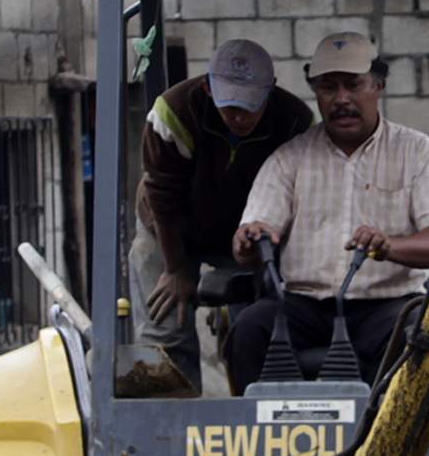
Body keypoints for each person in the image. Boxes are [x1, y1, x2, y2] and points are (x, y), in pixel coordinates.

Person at [225, 32, 429, 385]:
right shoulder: (289, 158)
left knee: (420, 334)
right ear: (315, 92)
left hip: (387, 307)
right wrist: (250, 239)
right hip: (303, 306)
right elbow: (253, 237)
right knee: (248, 331)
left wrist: (389, 246)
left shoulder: (417, 152)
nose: (341, 99)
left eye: (353, 85)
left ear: (378, 85)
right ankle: (260, 440)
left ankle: (400, 441)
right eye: (328, 88)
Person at [127, 37, 311, 393]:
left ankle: (250, 417)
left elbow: (297, 196)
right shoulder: (174, 112)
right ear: (209, 89)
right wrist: (176, 268)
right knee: (165, 328)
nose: (239, 117)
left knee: (257, 329)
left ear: (269, 91)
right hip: (168, 224)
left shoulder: (295, 122)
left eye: (248, 106)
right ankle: (174, 428)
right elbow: (163, 196)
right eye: (230, 107)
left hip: (246, 231)